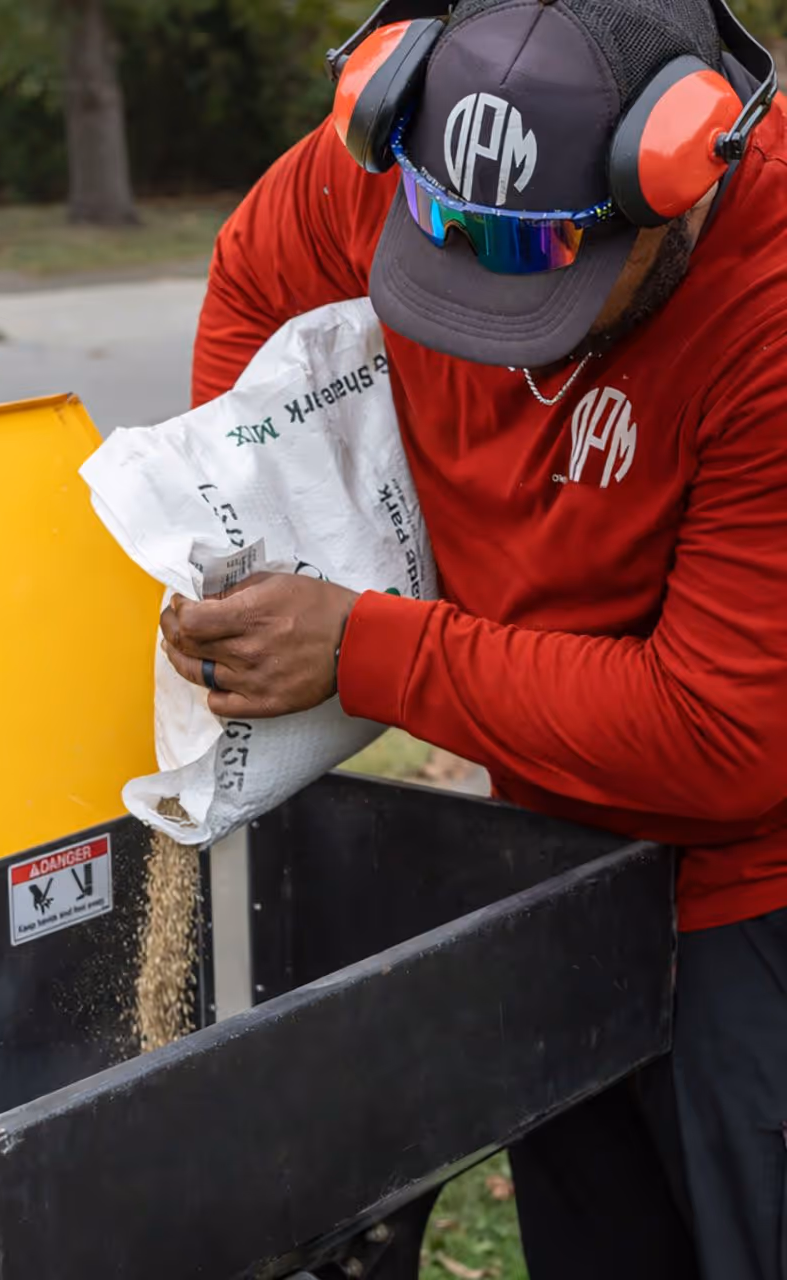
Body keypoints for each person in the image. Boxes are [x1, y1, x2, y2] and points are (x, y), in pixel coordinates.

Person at [159, 1, 787, 1276]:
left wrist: (366, 647)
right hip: (549, 842)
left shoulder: (769, 305)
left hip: (756, 879)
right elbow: (257, 283)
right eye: (448, 243)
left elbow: (721, 736)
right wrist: (246, 525)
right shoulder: (381, 172)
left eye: (545, 262)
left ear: (671, 178)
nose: (488, 317)